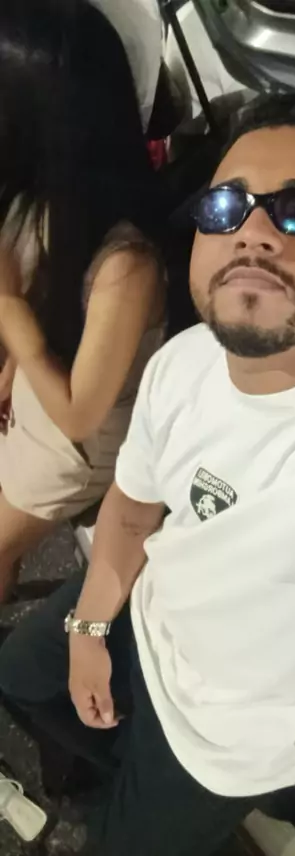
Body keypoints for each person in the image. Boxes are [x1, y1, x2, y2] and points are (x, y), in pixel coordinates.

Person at [0, 93, 295, 856]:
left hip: (221, 743)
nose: (253, 231)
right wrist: (89, 628)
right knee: (19, 675)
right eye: (226, 206)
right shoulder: (185, 361)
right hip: (140, 612)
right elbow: (131, 508)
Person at [0, 0, 167, 602]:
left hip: (74, 442)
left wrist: (9, 311)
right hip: (39, 391)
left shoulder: (126, 266)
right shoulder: (43, 196)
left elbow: (79, 417)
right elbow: (45, 304)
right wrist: (10, 374)